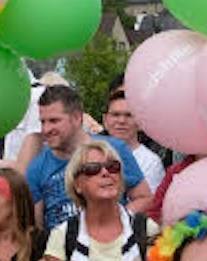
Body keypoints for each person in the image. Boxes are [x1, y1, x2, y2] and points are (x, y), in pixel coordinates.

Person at [22, 86, 148, 230]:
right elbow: (35, 228)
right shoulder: (36, 168)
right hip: (62, 241)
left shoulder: (114, 150)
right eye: (43, 122)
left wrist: (115, 222)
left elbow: (144, 198)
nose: (46, 129)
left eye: (54, 121)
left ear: (77, 118)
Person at [103, 88, 166, 195]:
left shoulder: (151, 162)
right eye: (115, 115)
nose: (121, 121)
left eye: (129, 115)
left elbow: (148, 202)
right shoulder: (89, 153)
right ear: (105, 120)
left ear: (140, 122)